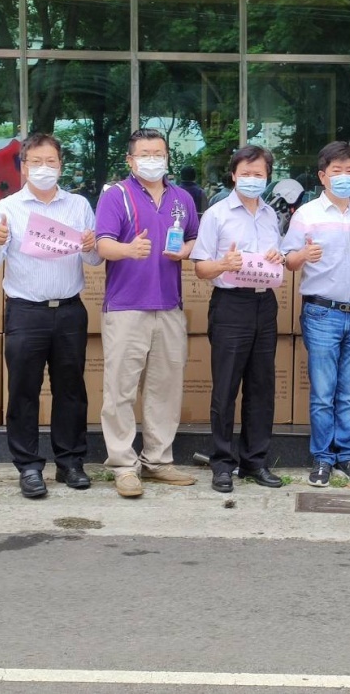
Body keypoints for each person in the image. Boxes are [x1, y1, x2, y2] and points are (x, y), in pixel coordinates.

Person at [0, 133, 100, 499]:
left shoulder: (78, 205)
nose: (44, 169)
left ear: (61, 165)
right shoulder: (7, 208)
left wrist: (93, 248)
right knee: (23, 391)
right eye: (36, 162)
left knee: (71, 390)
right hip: (25, 312)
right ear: (24, 166)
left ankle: (70, 462)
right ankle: (29, 467)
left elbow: (93, 260)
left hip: (68, 311)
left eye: (51, 162)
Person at [94, 128, 199, 498]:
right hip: (126, 308)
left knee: (165, 389)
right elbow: (102, 244)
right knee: (120, 391)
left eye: (159, 153)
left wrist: (186, 251)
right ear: (130, 160)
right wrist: (128, 250)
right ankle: (123, 465)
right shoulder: (116, 196)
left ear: (167, 156)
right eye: (145, 153)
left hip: (169, 306)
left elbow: (193, 238)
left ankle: (158, 461)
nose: (153, 159)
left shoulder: (181, 197)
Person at [282, 141, 350, 487]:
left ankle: (346, 455)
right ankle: (322, 459)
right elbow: (287, 260)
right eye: (337, 171)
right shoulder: (307, 214)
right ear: (322, 176)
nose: (344, 177)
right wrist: (303, 256)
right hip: (322, 313)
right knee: (324, 392)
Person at [191, 145, 285, 493]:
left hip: (265, 304)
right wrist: (224, 265)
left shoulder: (271, 215)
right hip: (230, 305)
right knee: (226, 387)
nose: (252, 179)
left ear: (267, 177)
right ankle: (222, 463)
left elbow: (277, 258)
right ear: (233, 175)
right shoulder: (216, 215)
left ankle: (255, 462)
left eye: (258, 174)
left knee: (262, 387)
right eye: (246, 173)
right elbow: (201, 267)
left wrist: (278, 256)